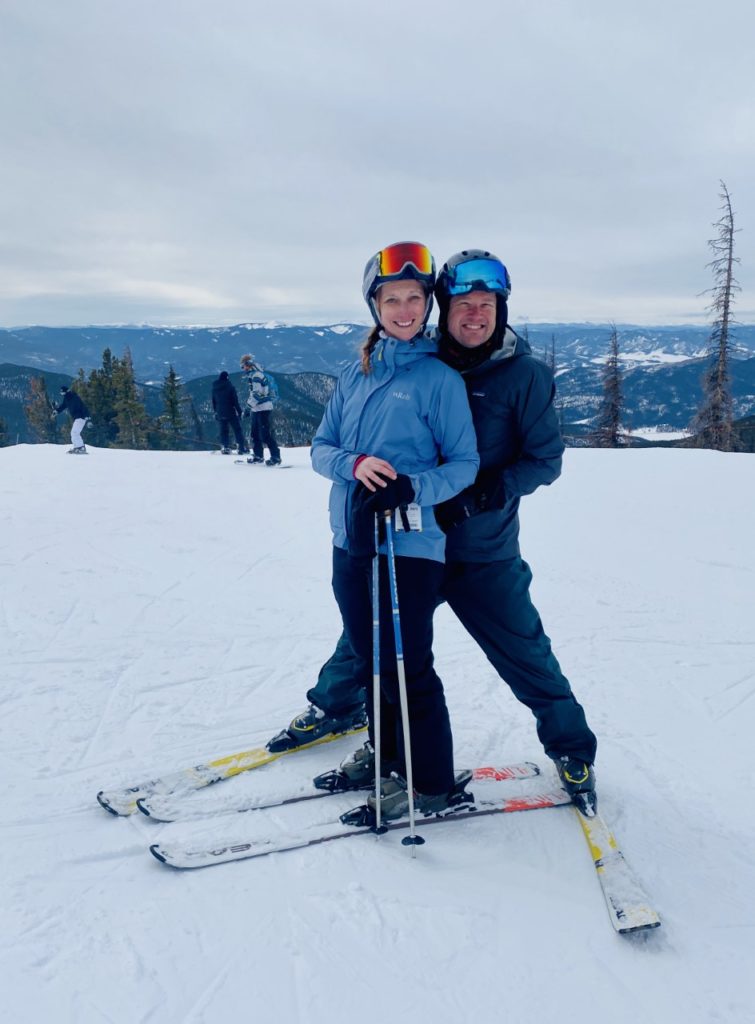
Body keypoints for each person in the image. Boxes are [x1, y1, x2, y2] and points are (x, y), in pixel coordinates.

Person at [271, 249, 598, 813]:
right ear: (441, 310)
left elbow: (544, 460)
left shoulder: (524, 376)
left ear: (500, 310)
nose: (475, 315)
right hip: (401, 539)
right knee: (369, 643)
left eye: (486, 305)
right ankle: (340, 709)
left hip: (479, 550)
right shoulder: (412, 360)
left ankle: (571, 747)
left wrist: (486, 496)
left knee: (522, 650)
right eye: (464, 305)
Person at [309, 241, 479, 820]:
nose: (404, 309)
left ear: (427, 304)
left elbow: (464, 464)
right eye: (392, 299)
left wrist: (413, 487)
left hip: (409, 546)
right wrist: (353, 464)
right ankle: (387, 757)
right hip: (351, 539)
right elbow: (320, 447)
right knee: (370, 659)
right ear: (374, 305)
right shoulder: (353, 373)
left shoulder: (438, 380)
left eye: (414, 298)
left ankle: (429, 781)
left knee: (407, 666)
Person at [239, 354, 282, 465]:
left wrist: (248, 408)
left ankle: (276, 456)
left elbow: (257, 394)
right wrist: (250, 408)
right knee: (255, 434)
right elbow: (254, 394)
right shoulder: (253, 375)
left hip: (263, 408)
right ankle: (258, 456)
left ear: (248, 365)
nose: (243, 369)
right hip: (257, 409)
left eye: (243, 366)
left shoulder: (257, 376)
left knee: (265, 434)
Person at [211, 371, 248, 454]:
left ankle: (225, 447)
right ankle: (241, 447)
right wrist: (240, 412)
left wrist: (216, 412)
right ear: (227, 377)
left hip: (220, 412)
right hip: (230, 412)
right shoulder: (230, 387)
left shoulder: (214, 388)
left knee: (223, 430)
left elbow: (213, 401)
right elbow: (235, 401)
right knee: (237, 429)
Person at [54, 385, 90, 454]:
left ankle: (81, 448)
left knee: (74, 433)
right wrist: (57, 411)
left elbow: (83, 406)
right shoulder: (67, 398)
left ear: (67, 392)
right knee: (74, 433)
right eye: (61, 393)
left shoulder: (75, 397)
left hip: (81, 417)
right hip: (77, 418)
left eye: (63, 393)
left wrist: (87, 417)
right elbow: (63, 406)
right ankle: (78, 447)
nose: (63, 395)